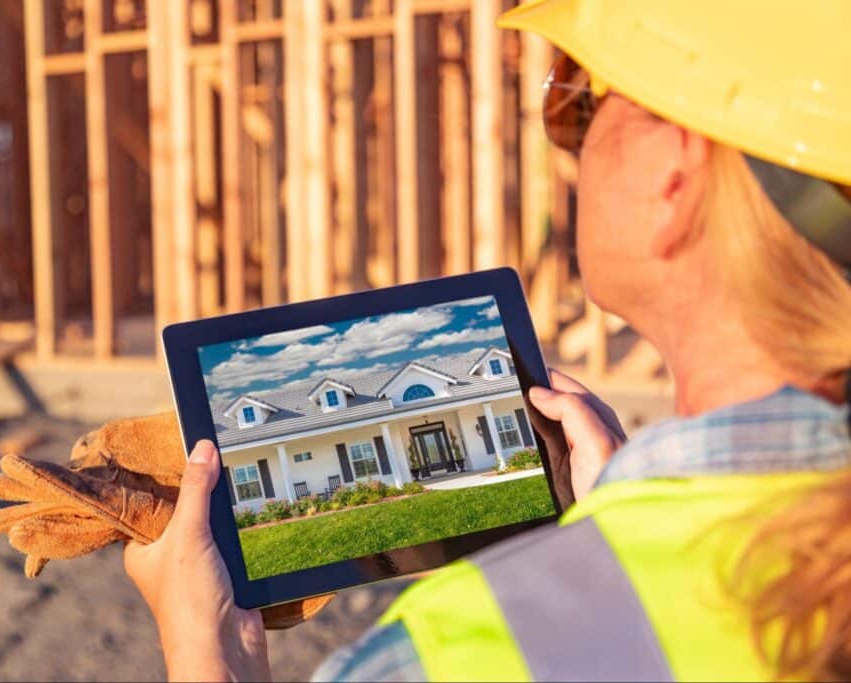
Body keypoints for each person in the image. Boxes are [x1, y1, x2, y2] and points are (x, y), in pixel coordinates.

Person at [124, 0, 851, 680]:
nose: (571, 140)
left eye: (581, 98)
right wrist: (622, 509)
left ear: (673, 176)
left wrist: (207, 651)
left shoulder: (451, 650)